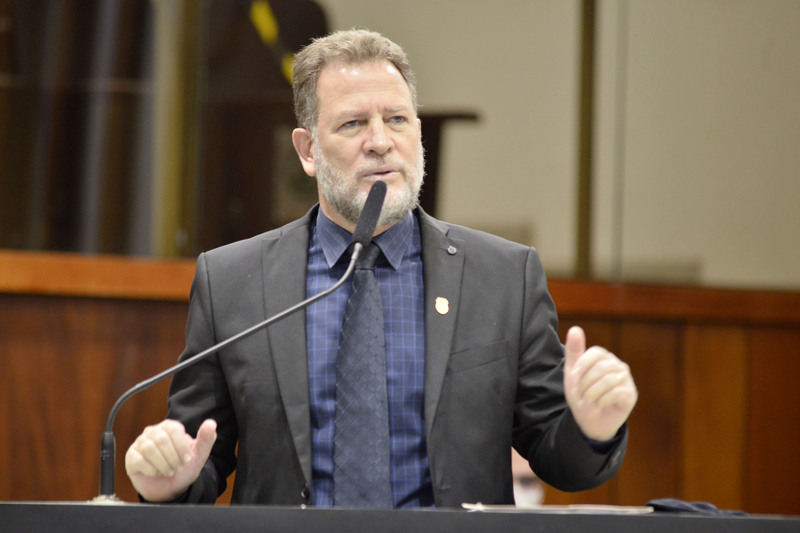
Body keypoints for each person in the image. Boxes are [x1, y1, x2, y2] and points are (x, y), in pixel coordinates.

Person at [125, 28, 637, 509]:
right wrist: (171, 483)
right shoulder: (232, 281)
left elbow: (558, 459)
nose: (380, 141)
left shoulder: (502, 277)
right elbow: (200, 457)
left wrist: (592, 429)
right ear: (307, 150)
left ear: (418, 132)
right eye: (353, 124)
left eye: (396, 120)